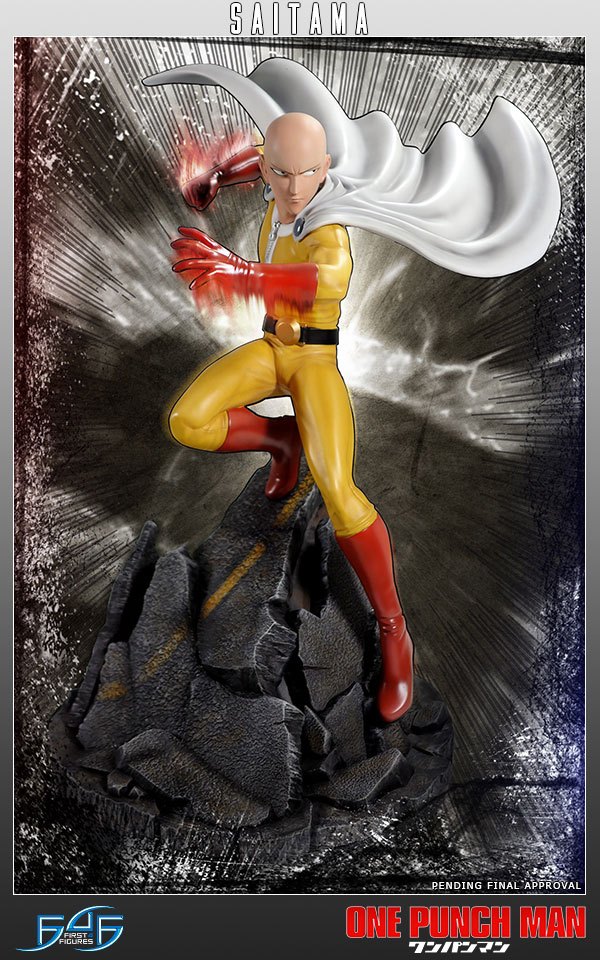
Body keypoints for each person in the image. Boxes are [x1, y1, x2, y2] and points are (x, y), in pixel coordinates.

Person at [169, 112, 413, 723]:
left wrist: (241, 272)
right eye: (281, 173)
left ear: (325, 168)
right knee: (188, 420)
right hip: (269, 350)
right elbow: (255, 157)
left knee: (340, 492)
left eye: (308, 173)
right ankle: (281, 440)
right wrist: (215, 177)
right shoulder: (274, 170)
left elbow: (319, 280)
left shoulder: (329, 226)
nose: (295, 187)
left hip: (313, 361)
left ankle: (394, 631)